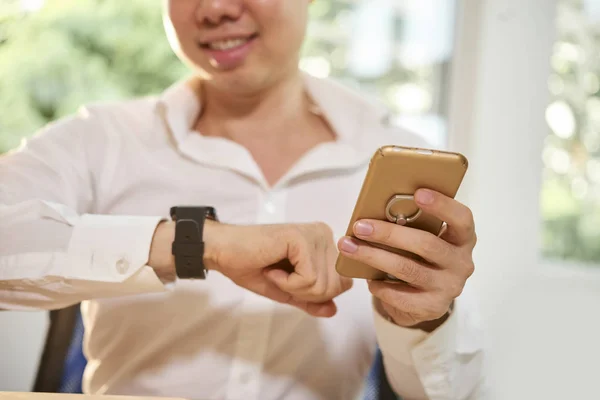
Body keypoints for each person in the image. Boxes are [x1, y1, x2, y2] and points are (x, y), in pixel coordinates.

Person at [0, 1, 485, 399]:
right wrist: (196, 244)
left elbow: (451, 393)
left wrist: (423, 318)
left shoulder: (397, 164)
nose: (214, 8)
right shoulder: (103, 139)